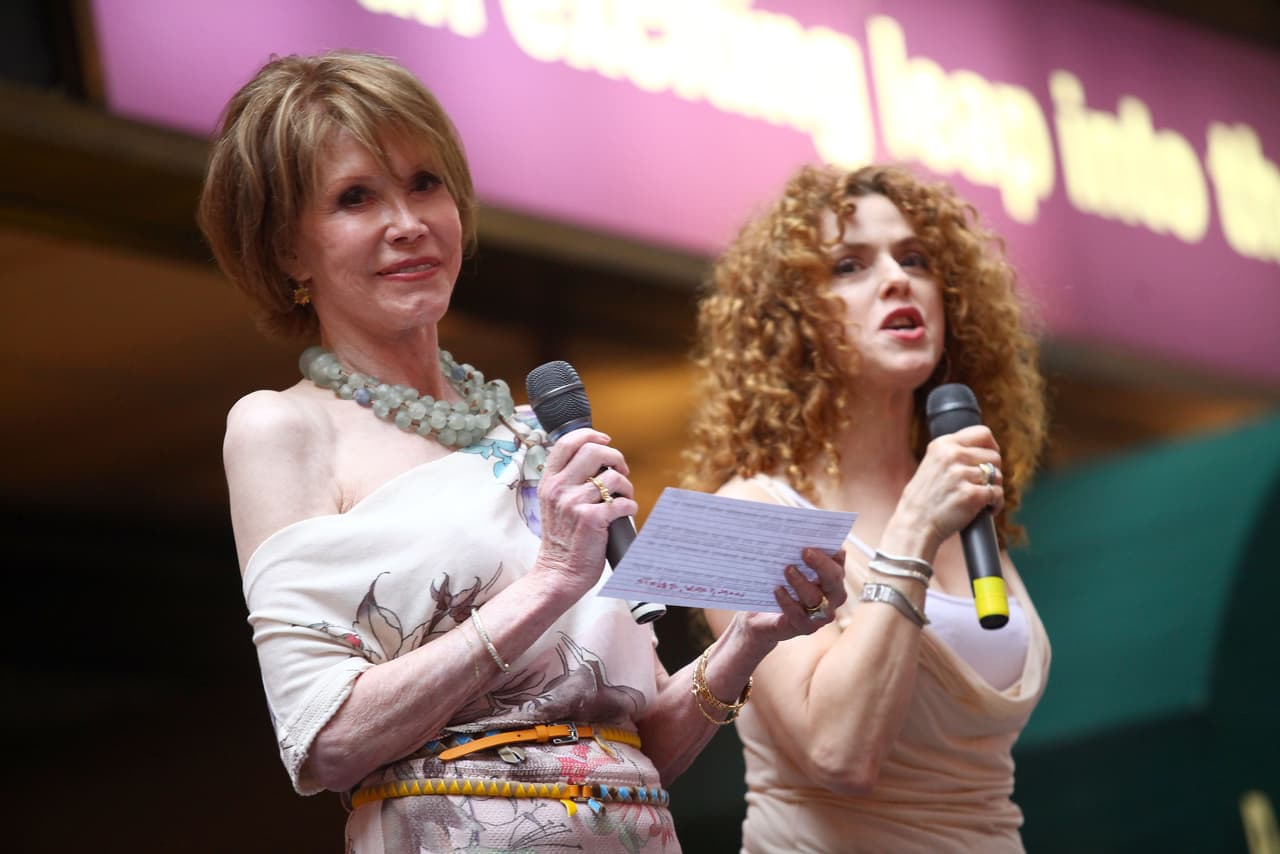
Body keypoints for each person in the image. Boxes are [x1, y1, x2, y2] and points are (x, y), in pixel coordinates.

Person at [197, 50, 846, 853]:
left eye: (425, 183)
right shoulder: (280, 428)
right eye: (356, 197)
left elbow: (639, 747)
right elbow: (323, 742)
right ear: (287, 250)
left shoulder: (543, 431)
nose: (408, 222)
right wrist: (550, 580)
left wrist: (749, 638)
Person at [683, 163, 1051, 852]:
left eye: (915, 259)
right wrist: (915, 527)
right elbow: (837, 752)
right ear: (795, 317)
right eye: (849, 266)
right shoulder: (740, 515)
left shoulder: (962, 502)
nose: (896, 280)